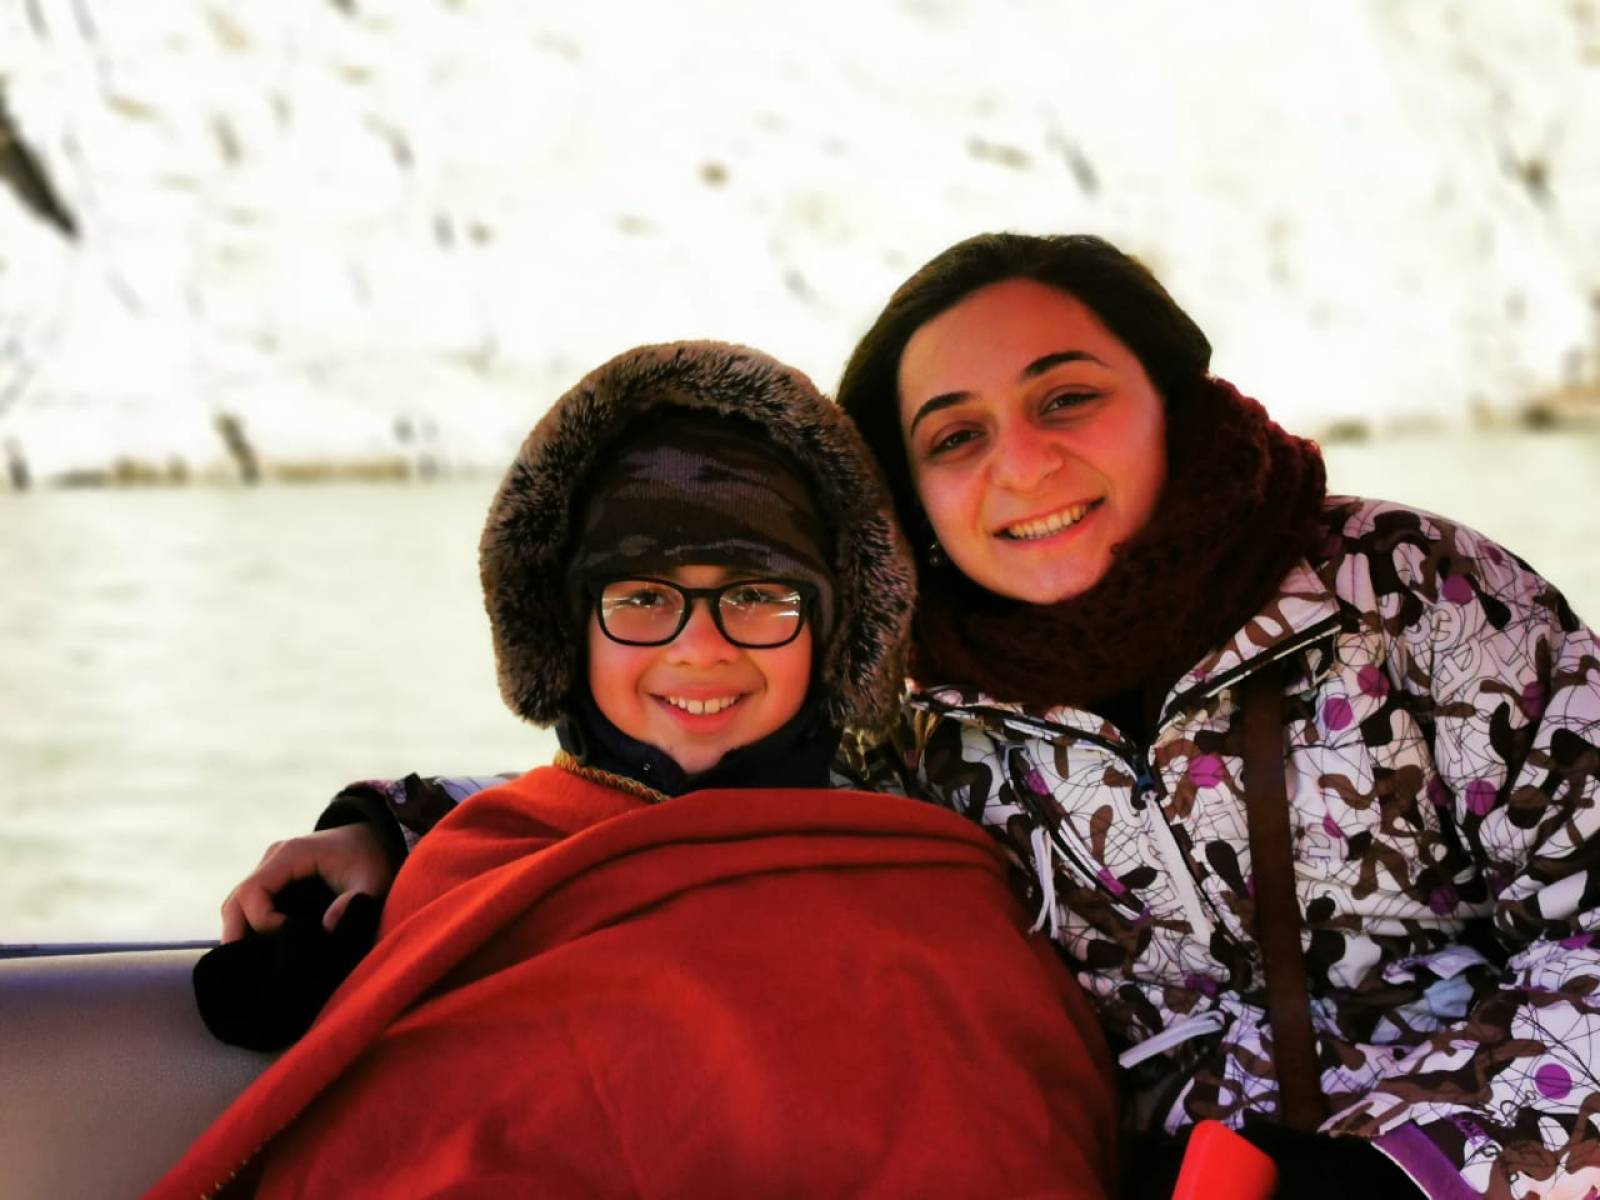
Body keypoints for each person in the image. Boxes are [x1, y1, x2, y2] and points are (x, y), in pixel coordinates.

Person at [220, 236, 1600, 1200]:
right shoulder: (920, 699)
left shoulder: (1411, 596)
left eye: (1067, 397)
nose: (1024, 463)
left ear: (1170, 403)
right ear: (913, 496)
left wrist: (1416, 1175)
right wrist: (400, 831)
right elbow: (696, 783)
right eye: (955, 435)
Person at [149, 341, 1117, 1199]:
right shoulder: (479, 866)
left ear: (831, 635)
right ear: (568, 633)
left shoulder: (938, 899)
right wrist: (382, 830)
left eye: (758, 595)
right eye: (643, 598)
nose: (700, 649)